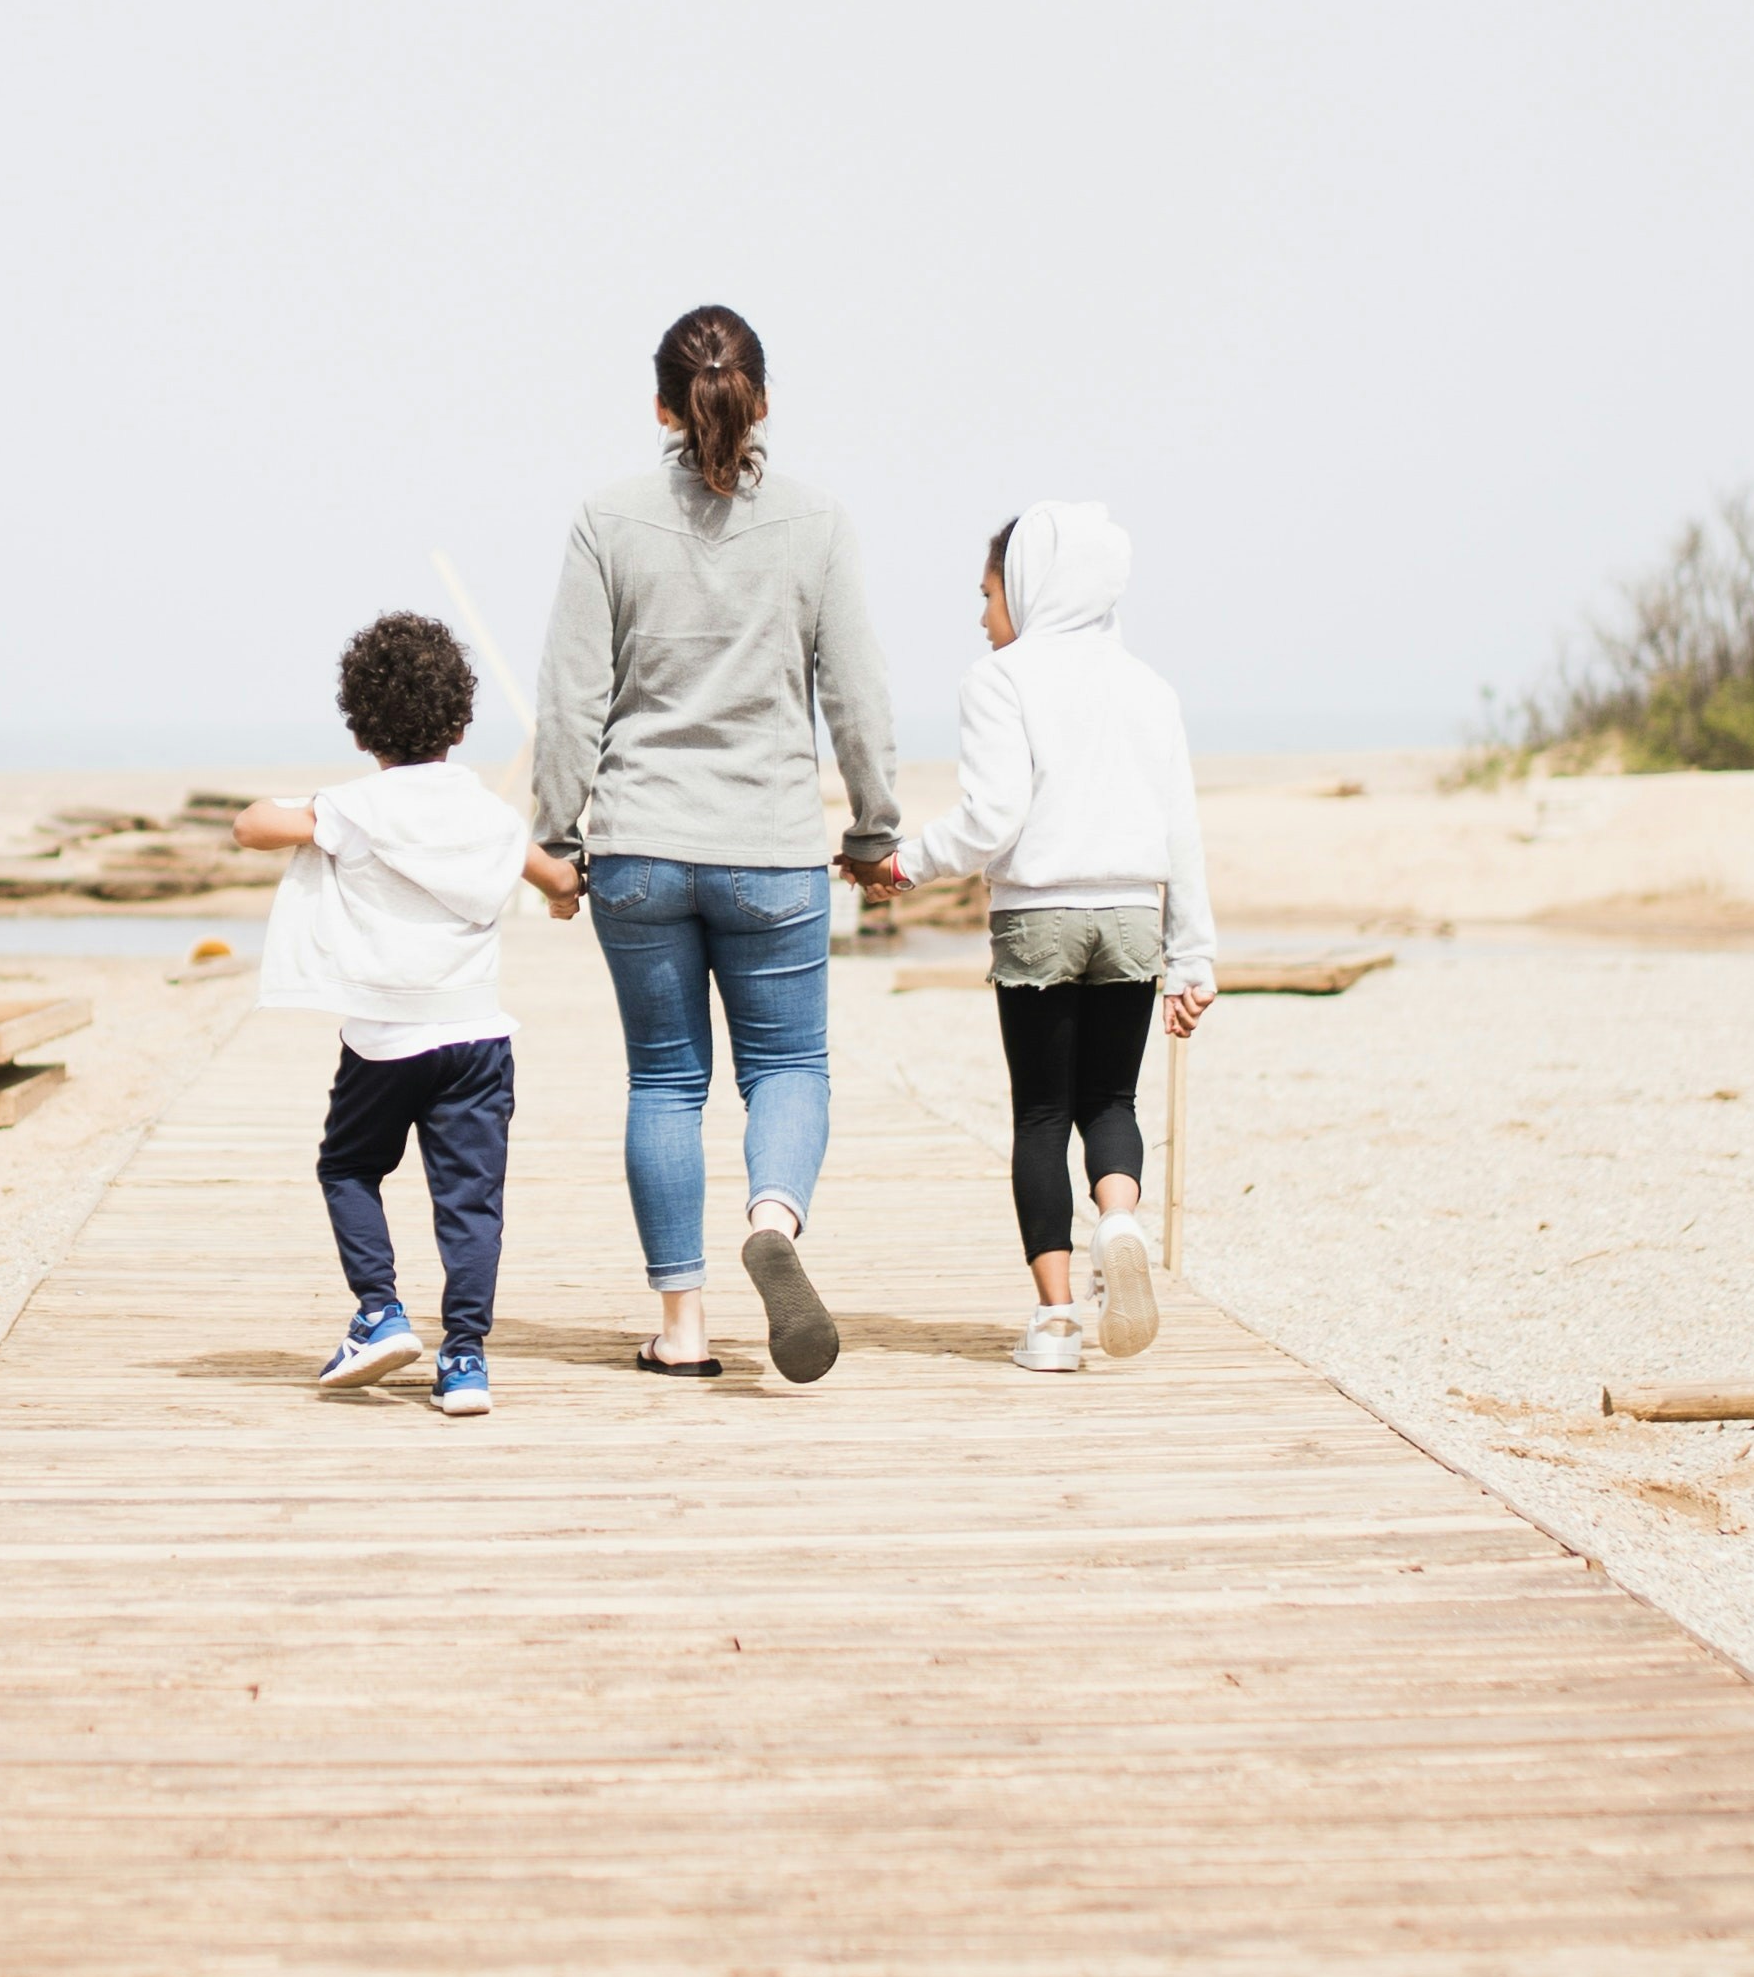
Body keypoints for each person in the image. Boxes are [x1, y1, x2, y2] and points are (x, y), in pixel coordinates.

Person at [533, 306, 899, 1382]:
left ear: (658, 405)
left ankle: (682, 1328)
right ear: (764, 397)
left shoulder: (607, 518)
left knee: (664, 1081)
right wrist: (873, 829)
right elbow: (859, 698)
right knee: (786, 1063)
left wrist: (555, 841)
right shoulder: (818, 521)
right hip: (773, 848)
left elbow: (568, 700)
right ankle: (774, 1217)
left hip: (640, 846)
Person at [864, 501, 1214, 1375]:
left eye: (988, 593)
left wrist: (903, 866)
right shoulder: (1152, 687)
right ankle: (1121, 1220)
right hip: (1134, 915)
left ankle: (1057, 1322)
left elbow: (991, 819)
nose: (982, 616)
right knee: (1113, 1105)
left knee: (1041, 1114)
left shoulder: (1000, 680)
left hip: (1039, 917)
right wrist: (1193, 957)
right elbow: (1183, 831)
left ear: (1030, 584)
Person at [237, 611, 581, 1415]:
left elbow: (253, 824)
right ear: (461, 722)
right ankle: (465, 1358)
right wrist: (566, 895)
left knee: (349, 1167)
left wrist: (305, 810)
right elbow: (556, 881)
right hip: (477, 1038)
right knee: (470, 1201)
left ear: (361, 730)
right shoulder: (492, 819)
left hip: (385, 1040)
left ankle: (381, 1310)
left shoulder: (356, 808)